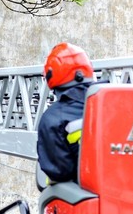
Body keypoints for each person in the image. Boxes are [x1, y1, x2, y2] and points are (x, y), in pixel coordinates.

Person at [37, 42, 95, 183]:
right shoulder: (117, 101)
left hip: (86, 192)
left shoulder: (53, 118)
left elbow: (59, 171)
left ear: (51, 75)